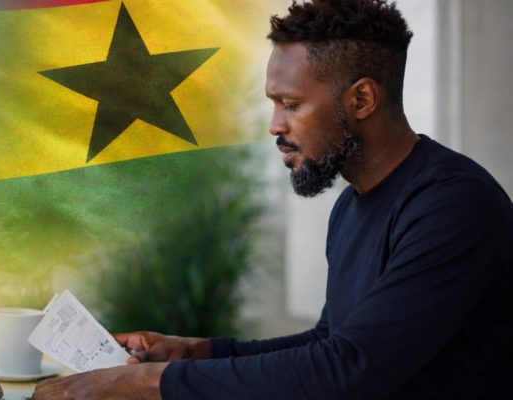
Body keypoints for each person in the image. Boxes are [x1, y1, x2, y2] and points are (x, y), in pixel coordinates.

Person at [32, 0, 513, 398]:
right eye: (273, 103)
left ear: (362, 100)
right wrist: (195, 352)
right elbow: (330, 341)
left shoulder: (453, 205)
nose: (275, 126)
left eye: (291, 104)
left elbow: (351, 369)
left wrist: (143, 382)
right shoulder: (353, 204)